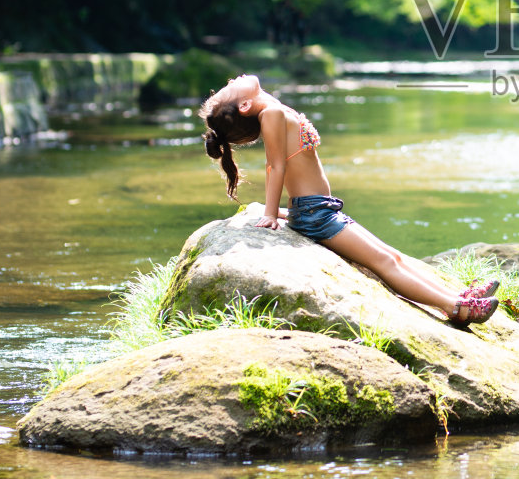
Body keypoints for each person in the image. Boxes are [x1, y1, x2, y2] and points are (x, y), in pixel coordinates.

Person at [200, 74, 498, 325]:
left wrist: (280, 211)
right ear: (245, 104)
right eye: (230, 87)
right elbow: (275, 165)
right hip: (315, 213)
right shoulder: (271, 115)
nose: (232, 79)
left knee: (393, 256)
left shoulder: (273, 109)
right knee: (384, 262)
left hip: (320, 208)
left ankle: (458, 297)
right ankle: (457, 309)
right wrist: (269, 213)